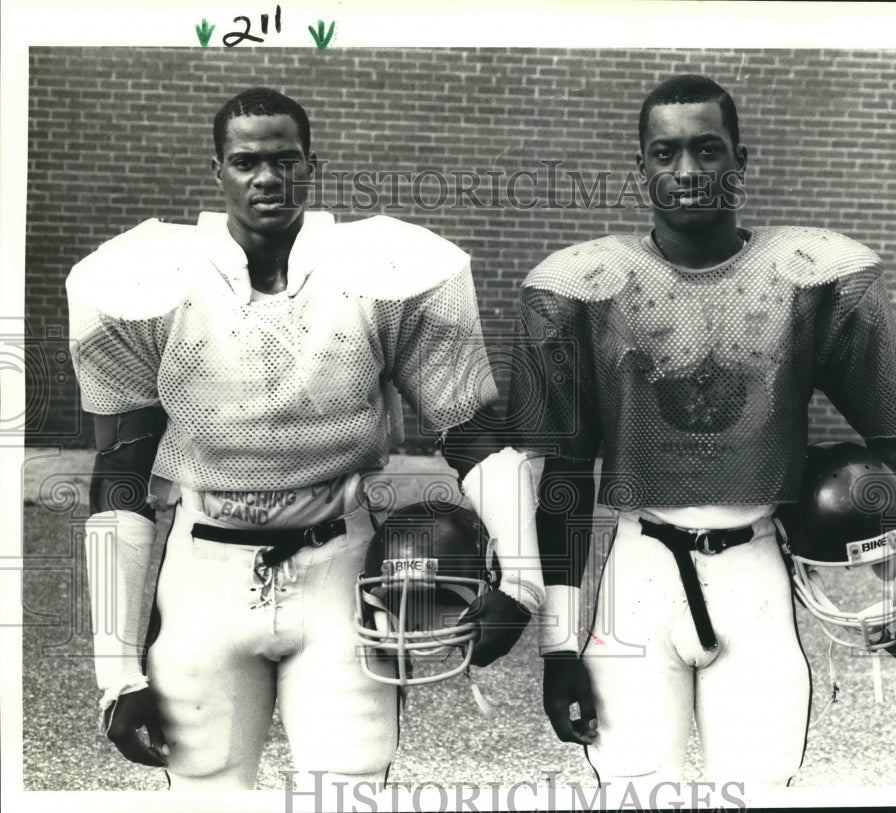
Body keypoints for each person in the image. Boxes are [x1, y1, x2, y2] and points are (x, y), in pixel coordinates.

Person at [66, 87, 543, 790]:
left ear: (310, 165)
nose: (267, 178)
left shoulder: (377, 276)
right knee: (205, 787)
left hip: (338, 565)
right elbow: (120, 474)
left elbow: (471, 429)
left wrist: (524, 580)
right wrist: (115, 671)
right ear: (217, 171)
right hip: (204, 574)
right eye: (246, 161)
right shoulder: (149, 279)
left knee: (350, 782)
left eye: (285, 160)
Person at [509, 74, 896, 795]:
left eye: (707, 150)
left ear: (740, 161)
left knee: (755, 790)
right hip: (639, 571)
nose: (687, 172)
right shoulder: (584, 285)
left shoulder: (811, 278)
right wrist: (559, 643)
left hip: (755, 566)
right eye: (665, 153)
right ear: (641, 167)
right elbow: (565, 476)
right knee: (630, 790)